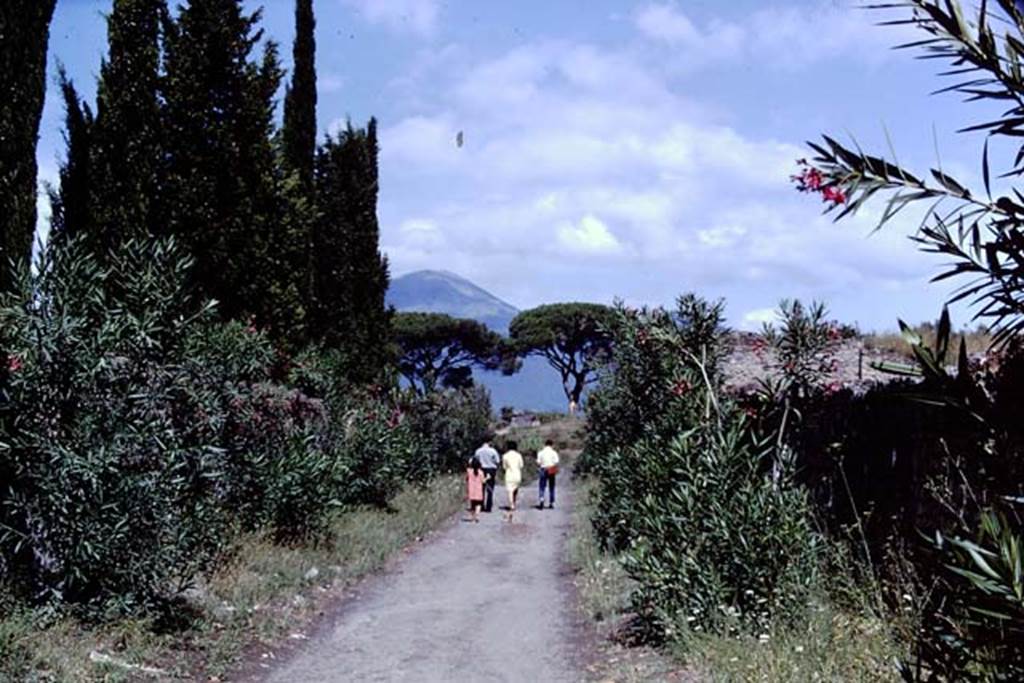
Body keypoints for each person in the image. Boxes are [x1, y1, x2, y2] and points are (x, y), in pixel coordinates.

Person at [474, 439, 500, 512]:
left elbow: (475, 461)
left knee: (481, 488)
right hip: (491, 470)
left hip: (481, 469)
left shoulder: (478, 451)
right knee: (490, 488)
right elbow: (497, 461)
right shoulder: (493, 451)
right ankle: (489, 506)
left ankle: (481, 505)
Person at [501, 440, 524, 522]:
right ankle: (513, 502)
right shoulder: (518, 455)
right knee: (515, 489)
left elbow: (504, 467)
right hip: (517, 474)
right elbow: (521, 465)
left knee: (510, 490)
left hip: (509, 474)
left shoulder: (505, 456)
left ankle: (511, 504)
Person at [536, 439, 560, 509]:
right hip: (551, 469)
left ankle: (542, 499)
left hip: (543, 469)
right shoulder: (554, 452)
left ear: (545, 445)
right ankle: (551, 502)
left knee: (542, 486)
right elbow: (556, 461)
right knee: (551, 486)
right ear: (552, 445)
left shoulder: (541, 452)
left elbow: (538, 462)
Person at [465, 457, 485, 523]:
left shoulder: (469, 471)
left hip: (471, 490)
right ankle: (477, 516)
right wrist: (487, 478)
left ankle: (472, 517)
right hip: (478, 490)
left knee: (472, 505)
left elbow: (466, 479)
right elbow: (483, 481)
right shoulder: (481, 472)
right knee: (478, 504)